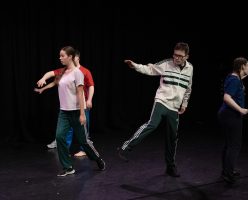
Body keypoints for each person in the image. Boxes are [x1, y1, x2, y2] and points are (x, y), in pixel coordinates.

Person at [117, 42, 193, 177]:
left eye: (180, 56)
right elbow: (150, 69)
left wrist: (184, 104)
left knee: (172, 137)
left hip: (174, 107)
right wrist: (134, 65)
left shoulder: (190, 69)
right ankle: (125, 147)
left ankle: (170, 166)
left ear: (187, 56)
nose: (177, 58)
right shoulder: (166, 64)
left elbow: (188, 88)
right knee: (152, 124)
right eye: (175, 55)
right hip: (162, 101)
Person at [36, 46, 105, 176]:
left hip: (76, 111)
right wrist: (43, 84)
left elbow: (80, 94)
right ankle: (68, 167)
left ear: (70, 57)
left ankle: (97, 159)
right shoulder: (62, 72)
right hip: (64, 112)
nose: (60, 58)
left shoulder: (78, 73)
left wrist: (82, 113)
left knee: (83, 141)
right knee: (59, 137)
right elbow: (54, 81)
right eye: (60, 56)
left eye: (62, 56)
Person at [218, 56, 248, 184]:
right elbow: (226, 98)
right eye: (247, 65)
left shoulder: (234, 77)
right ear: (242, 66)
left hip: (226, 115)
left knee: (229, 145)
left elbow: (246, 74)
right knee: (234, 146)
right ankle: (228, 174)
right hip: (231, 115)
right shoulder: (235, 80)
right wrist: (240, 109)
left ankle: (226, 171)